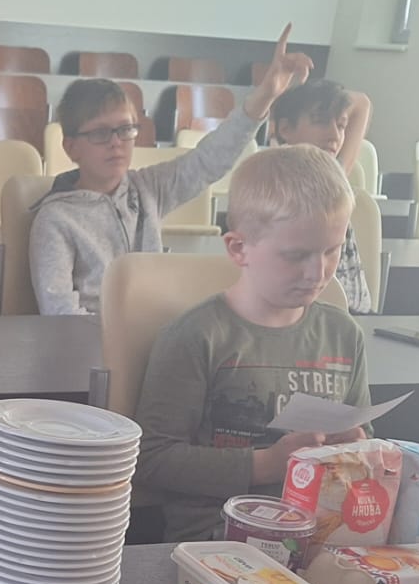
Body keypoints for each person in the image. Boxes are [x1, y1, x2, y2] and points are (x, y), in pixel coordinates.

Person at [133, 145, 370, 541]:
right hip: (220, 536)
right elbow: (152, 459)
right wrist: (266, 465)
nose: (318, 272)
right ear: (239, 248)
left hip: (321, 529)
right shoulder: (197, 336)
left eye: (333, 250)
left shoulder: (343, 333)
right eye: (296, 256)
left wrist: (357, 447)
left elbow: (364, 439)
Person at [29, 23, 313, 316]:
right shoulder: (56, 219)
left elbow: (208, 161)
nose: (116, 143)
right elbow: (59, 312)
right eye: (101, 133)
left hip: (156, 328)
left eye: (125, 129)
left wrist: (265, 96)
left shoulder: (148, 188)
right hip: (93, 338)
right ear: (71, 147)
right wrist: (126, 336)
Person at [269, 79, 375, 312]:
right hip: (304, 311)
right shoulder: (269, 184)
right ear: (285, 129)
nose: (334, 135)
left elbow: (362, 104)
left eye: (341, 125)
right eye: (321, 121)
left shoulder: (333, 176)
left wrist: (322, 96)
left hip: (353, 313)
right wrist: (293, 95)